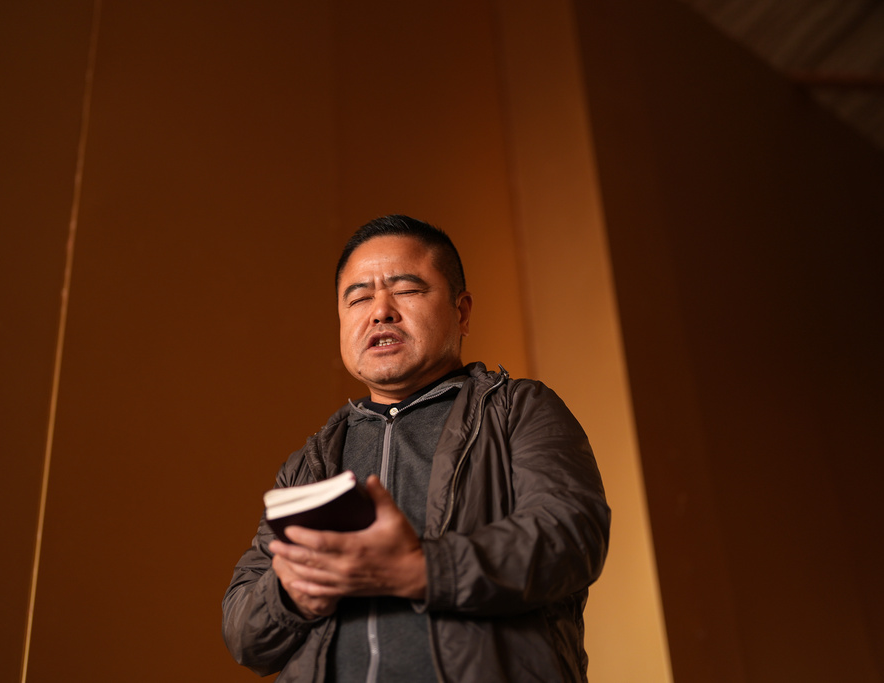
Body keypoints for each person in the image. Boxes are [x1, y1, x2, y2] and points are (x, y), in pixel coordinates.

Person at [222, 215, 610, 682]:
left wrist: (422, 569)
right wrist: (291, 595)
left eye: (406, 290)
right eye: (359, 297)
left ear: (462, 312)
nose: (380, 311)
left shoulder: (517, 410)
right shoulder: (311, 462)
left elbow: (570, 537)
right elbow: (243, 633)